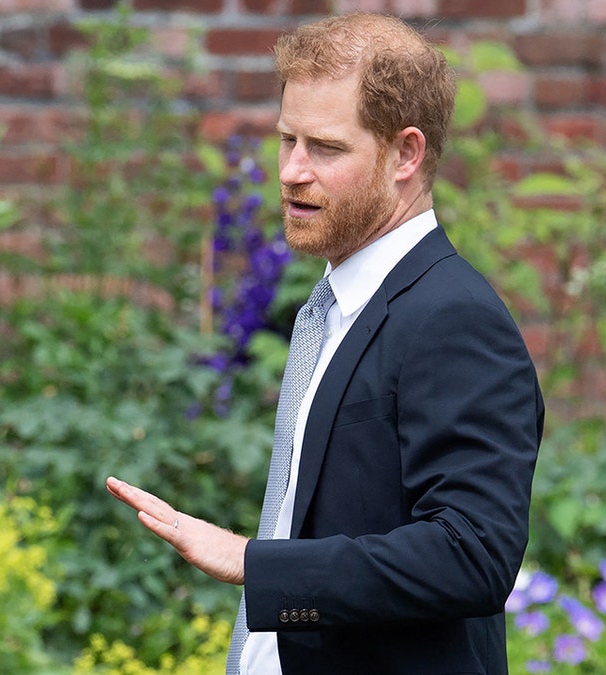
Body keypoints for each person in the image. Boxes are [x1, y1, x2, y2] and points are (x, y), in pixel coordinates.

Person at [107, 13, 543, 674]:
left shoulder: (452, 316)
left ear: (406, 154)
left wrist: (253, 562)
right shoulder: (334, 304)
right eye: (287, 140)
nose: (291, 171)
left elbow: (473, 554)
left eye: (326, 148)